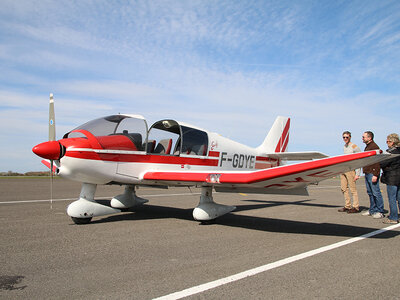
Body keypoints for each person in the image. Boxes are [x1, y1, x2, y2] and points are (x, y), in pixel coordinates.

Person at [361, 131, 385, 218]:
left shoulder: (374, 147)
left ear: (369, 138)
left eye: (364, 137)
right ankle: (372, 210)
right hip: (367, 172)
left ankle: (380, 211)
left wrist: (375, 174)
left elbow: (376, 161)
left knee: (376, 192)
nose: (362, 138)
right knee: (370, 192)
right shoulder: (368, 147)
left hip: (372, 173)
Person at [338, 131, 361, 213]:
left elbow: (359, 160)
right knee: (343, 188)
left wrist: (357, 174)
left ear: (350, 137)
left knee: (353, 189)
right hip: (344, 169)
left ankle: (356, 207)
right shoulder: (344, 146)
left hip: (351, 169)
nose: (345, 139)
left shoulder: (354, 147)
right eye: (343, 137)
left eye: (347, 137)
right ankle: (347, 206)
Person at [380, 133, 400, 224]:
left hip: (392, 178)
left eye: (388, 141)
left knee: (392, 198)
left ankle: (393, 217)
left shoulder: (391, 152)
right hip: (398, 177)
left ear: (393, 142)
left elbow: (383, 163)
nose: (387, 143)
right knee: (399, 198)